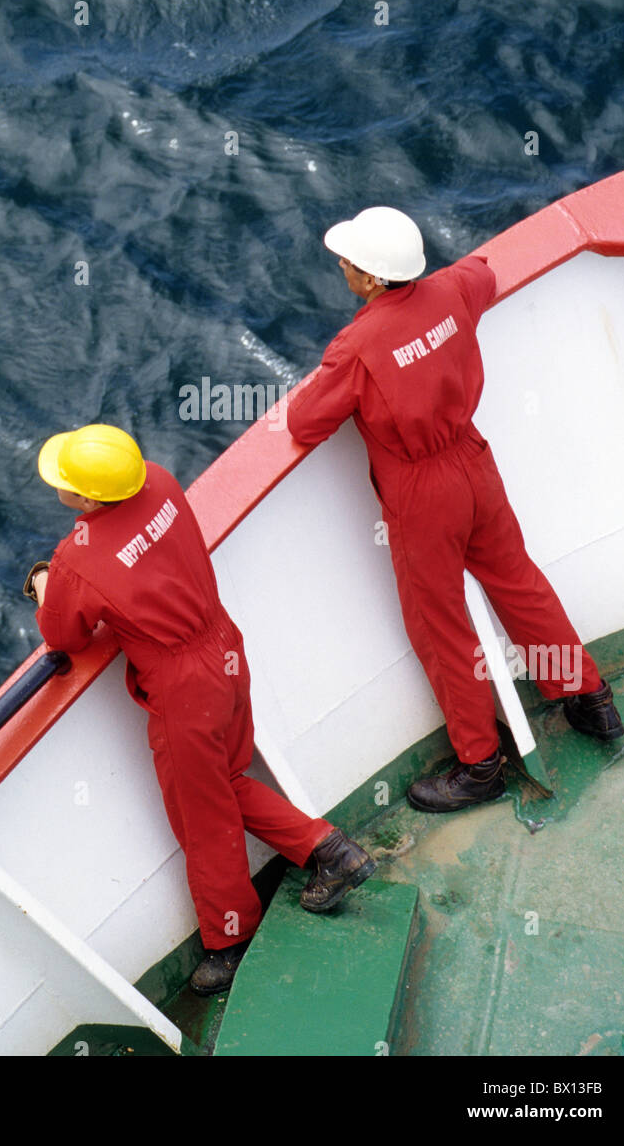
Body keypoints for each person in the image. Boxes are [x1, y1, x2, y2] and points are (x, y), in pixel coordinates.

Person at [286, 206, 624, 813]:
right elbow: (486, 272)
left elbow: (304, 421)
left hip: (421, 492)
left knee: (441, 627)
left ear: (370, 280)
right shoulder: (452, 290)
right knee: (519, 582)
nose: (341, 266)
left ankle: (481, 765)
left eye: (351, 262)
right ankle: (589, 698)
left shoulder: (357, 346)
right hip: (473, 461)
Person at [26, 423, 375, 994]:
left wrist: (46, 583)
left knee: (201, 819)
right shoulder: (160, 483)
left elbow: (65, 636)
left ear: (89, 498)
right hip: (224, 648)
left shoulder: (75, 560)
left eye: (64, 481)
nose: (58, 487)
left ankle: (229, 940)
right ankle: (330, 852)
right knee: (225, 781)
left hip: (182, 687)